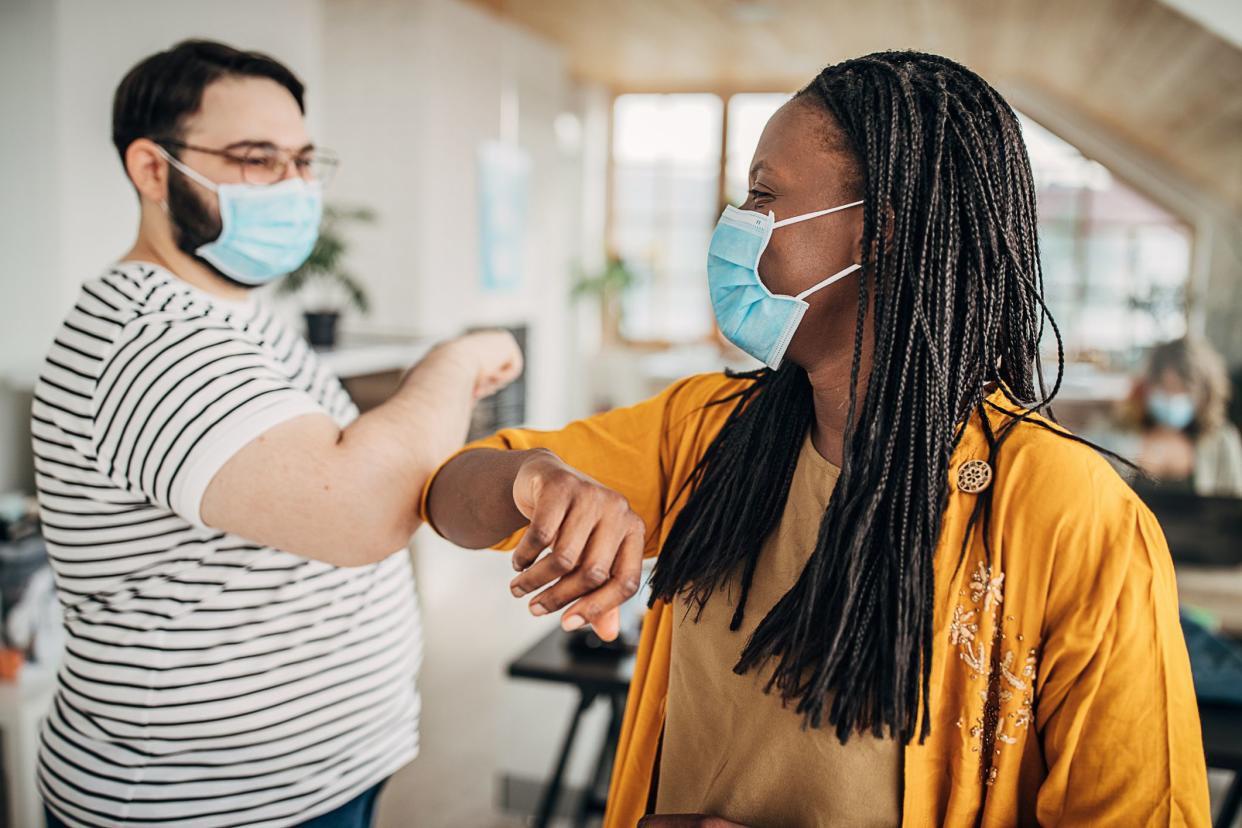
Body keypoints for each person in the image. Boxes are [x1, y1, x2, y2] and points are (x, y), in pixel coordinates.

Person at [423, 52, 1210, 826]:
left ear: (881, 236)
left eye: (764, 196)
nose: (735, 226)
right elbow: (449, 494)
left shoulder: (1070, 516)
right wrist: (536, 478)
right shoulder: (707, 428)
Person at [29, 40, 539, 828]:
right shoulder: (149, 337)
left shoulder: (233, 314)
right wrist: (455, 360)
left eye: (303, 160)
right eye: (257, 159)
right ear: (152, 169)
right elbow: (360, 509)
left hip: (312, 780)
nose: (295, 186)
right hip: (201, 805)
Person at [1130, 336, 1242, 497]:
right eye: (1162, 386)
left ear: (1204, 394)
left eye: (1180, 388)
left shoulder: (1222, 442)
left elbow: (1234, 511)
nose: (1170, 397)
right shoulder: (1127, 435)